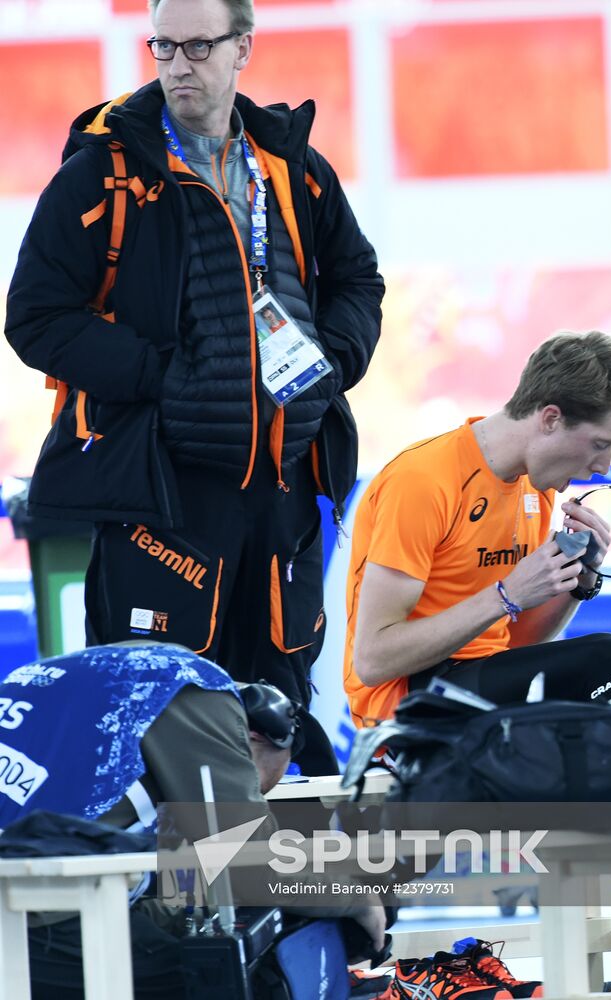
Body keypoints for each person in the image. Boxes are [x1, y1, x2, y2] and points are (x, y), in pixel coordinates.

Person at [4, 0, 384, 775]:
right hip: (162, 494)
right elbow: (36, 317)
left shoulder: (295, 170)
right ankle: (172, 893)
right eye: (164, 46)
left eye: (199, 45)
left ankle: (260, 894)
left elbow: (358, 280)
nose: (179, 64)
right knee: (158, 719)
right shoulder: (103, 176)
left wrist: (328, 360)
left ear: (242, 47)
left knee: (275, 714)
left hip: (283, 495)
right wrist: (161, 377)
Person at [342, 330, 611, 966]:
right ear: (549, 418)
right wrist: (508, 593)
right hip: (414, 704)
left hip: (486, 679)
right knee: (603, 659)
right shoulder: (424, 480)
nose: (603, 469)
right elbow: (373, 658)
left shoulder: (535, 491)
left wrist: (574, 584)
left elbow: (522, 647)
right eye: (599, 446)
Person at [0, 642, 386, 998]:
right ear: (252, 734)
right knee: (221, 981)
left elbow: (145, 883)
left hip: (26, 896)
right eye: (255, 784)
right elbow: (251, 867)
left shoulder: (103, 682)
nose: (254, 796)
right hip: (29, 917)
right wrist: (360, 899)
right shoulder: (199, 692)